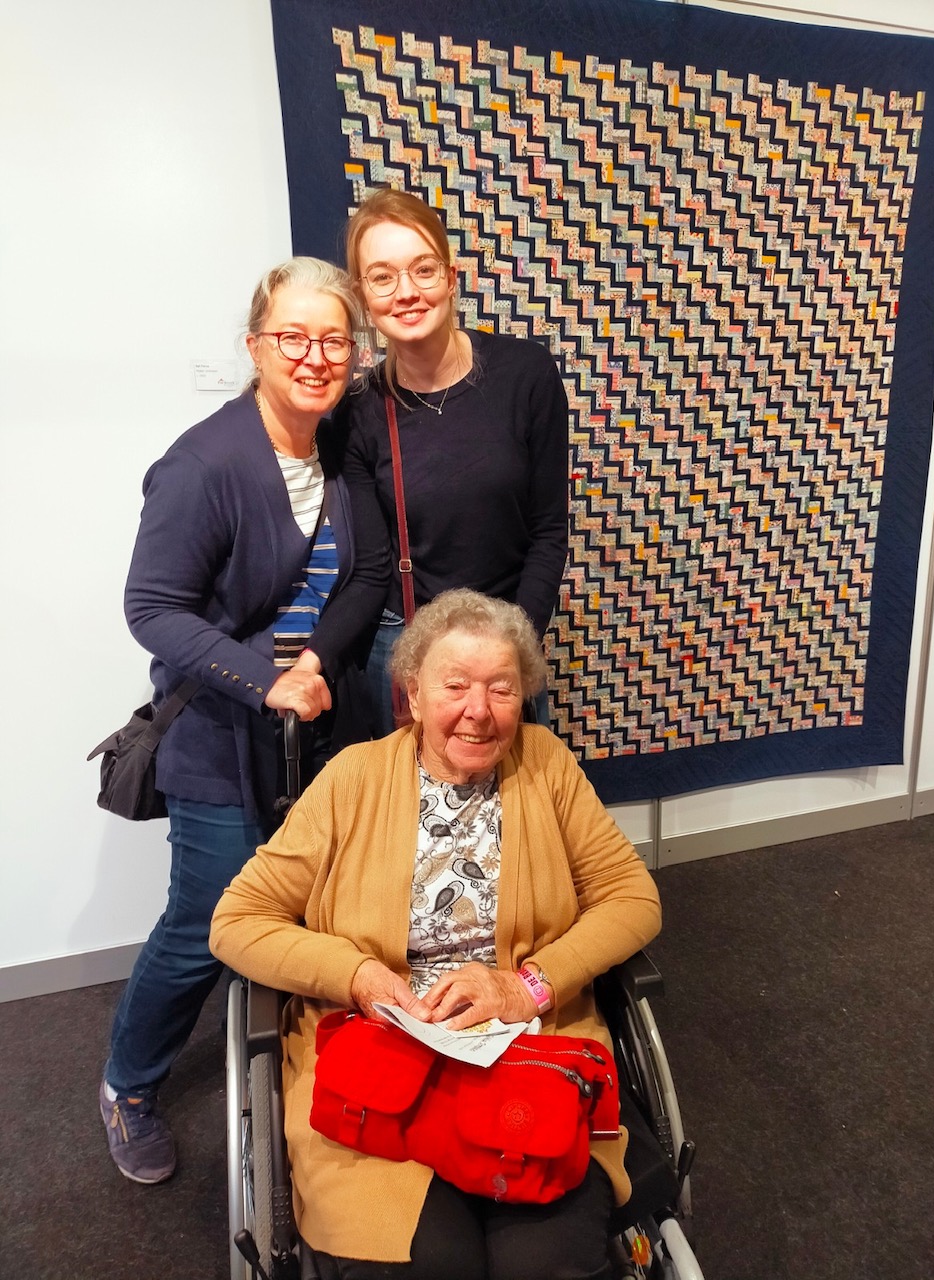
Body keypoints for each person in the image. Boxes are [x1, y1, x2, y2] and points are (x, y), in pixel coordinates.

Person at [210, 589, 661, 1279]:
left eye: (501, 688)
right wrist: (356, 975)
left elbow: (632, 898)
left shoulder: (546, 765)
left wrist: (524, 985)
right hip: (380, 1059)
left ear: (522, 698)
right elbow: (238, 920)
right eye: (455, 686)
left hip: (527, 1057)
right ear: (414, 696)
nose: (478, 710)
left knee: (543, 1264)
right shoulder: (352, 779)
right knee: (429, 1261)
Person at [99, 257, 388, 1185]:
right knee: (207, 922)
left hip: (315, 728)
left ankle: (298, 1053)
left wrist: (315, 661)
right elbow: (152, 607)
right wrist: (262, 679)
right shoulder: (204, 465)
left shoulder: (339, 444)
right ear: (256, 345)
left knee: (312, 903)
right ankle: (126, 1085)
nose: (314, 357)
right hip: (221, 737)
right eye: (291, 337)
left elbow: (371, 576)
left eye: (333, 339)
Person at [331, 187, 569, 735]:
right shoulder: (363, 412)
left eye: (423, 270)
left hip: (507, 631)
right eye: (383, 277)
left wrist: (513, 647)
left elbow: (548, 532)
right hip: (406, 641)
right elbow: (370, 569)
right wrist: (315, 660)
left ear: (452, 277)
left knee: (514, 814)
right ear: (364, 298)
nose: (406, 292)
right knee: (406, 816)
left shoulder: (525, 375)